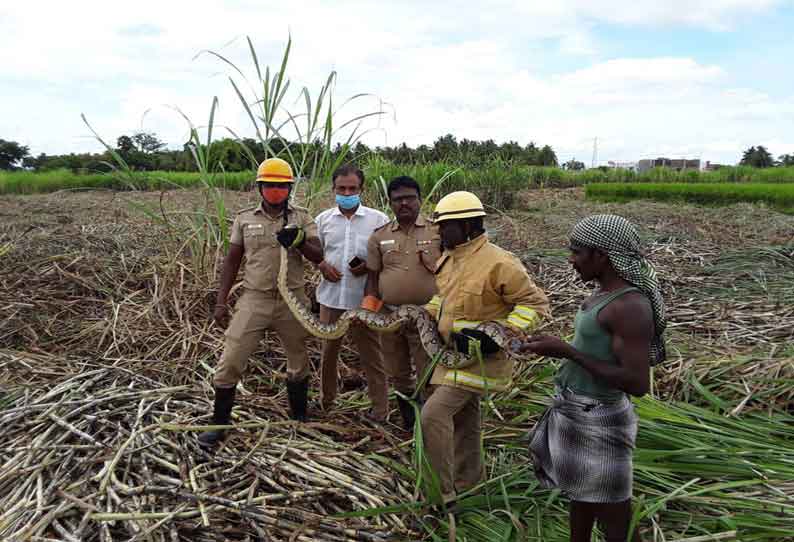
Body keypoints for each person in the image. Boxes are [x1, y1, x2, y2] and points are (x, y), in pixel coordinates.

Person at [518, 214, 666, 542]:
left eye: (576, 252)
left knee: (617, 521)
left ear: (601, 255)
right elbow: (599, 351)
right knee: (582, 499)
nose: (570, 260)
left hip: (599, 420)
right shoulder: (602, 295)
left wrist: (569, 353)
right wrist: (557, 347)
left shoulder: (629, 306)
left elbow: (637, 382)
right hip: (576, 411)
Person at [420, 191, 551, 502]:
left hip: (481, 361)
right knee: (465, 423)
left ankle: (441, 496)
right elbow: (445, 301)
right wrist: (422, 315)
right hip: (450, 356)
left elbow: (536, 305)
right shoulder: (450, 258)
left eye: (444, 226)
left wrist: (500, 334)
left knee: (432, 416)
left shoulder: (500, 262)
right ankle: (470, 484)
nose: (439, 232)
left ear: (468, 224)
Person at [198, 158, 323, 448]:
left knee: (298, 360)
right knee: (230, 360)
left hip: (293, 299)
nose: (276, 191)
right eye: (270, 186)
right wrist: (221, 302)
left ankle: (299, 417)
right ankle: (219, 424)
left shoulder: (301, 217)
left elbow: (318, 255)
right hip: (254, 298)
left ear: (289, 189)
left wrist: (299, 240)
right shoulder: (244, 219)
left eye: (282, 187)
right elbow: (232, 261)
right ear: (260, 187)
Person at [363, 176, 442, 430]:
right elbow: (372, 278)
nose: (404, 203)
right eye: (398, 199)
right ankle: (410, 424)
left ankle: (430, 427)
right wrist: (369, 314)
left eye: (409, 197)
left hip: (428, 317)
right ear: (390, 203)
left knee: (428, 374)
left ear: (420, 199)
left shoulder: (438, 231)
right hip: (390, 317)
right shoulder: (379, 236)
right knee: (398, 375)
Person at [314, 164, 390, 421]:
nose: (347, 193)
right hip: (331, 299)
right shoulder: (323, 220)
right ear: (333, 189)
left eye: (352, 188)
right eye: (341, 188)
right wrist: (322, 267)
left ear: (361, 189)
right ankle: (327, 403)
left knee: (372, 355)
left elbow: (387, 257)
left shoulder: (378, 220)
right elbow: (316, 254)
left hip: (364, 300)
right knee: (328, 354)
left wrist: (368, 266)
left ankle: (381, 410)